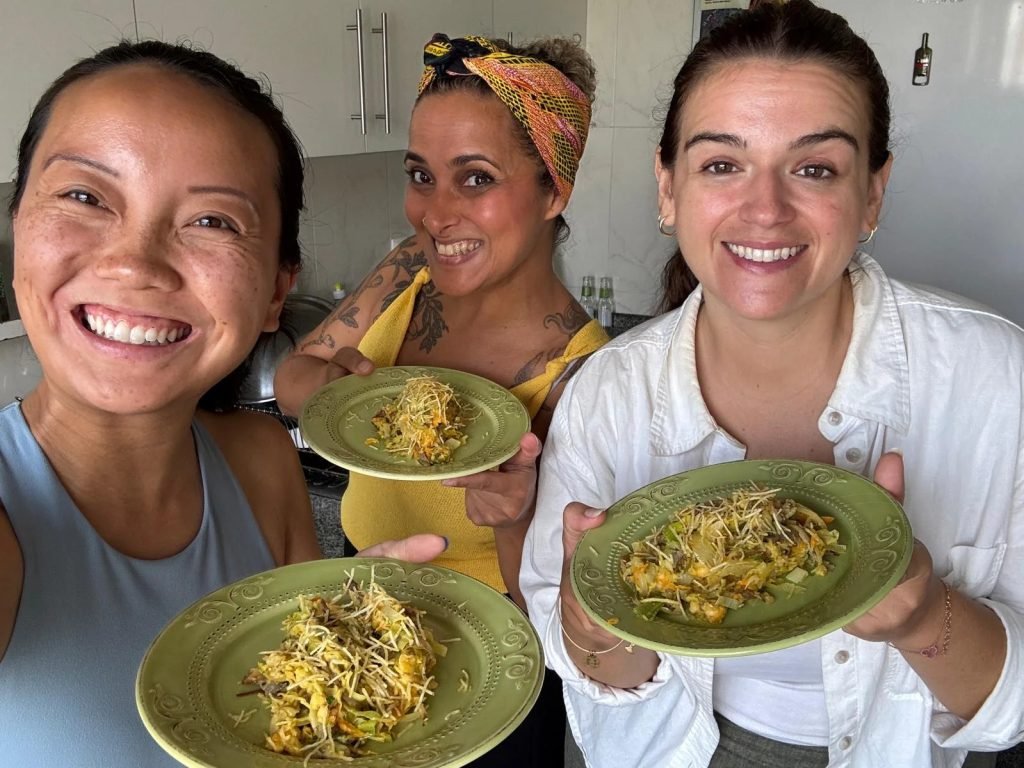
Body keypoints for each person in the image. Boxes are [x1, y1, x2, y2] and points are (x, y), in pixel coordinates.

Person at [520, 3, 1024, 768]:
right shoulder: (608, 394)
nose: (765, 209)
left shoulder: (994, 378)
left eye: (814, 167)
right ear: (668, 188)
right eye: (722, 163)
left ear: (873, 195)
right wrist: (592, 634)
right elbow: (591, 675)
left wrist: (925, 617)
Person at [0, 40, 444, 767]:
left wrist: (358, 685)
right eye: (84, 196)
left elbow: (288, 725)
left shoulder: (262, 463)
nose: (135, 263)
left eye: (213, 221)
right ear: (19, 221)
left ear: (275, 290)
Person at [273, 33, 606, 767]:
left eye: (476, 179)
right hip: (362, 623)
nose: (434, 213)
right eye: (420, 175)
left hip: (481, 667)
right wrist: (337, 396)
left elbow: (564, 613)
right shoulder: (407, 271)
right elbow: (295, 376)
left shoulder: (585, 376)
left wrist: (515, 515)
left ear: (554, 190)